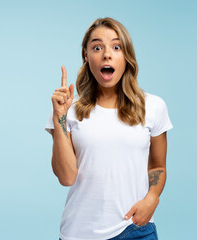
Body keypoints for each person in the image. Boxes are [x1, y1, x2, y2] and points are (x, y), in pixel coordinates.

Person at [45, 17, 173, 240]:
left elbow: (158, 165)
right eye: (97, 47)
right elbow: (66, 178)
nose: (107, 54)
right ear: (87, 56)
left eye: (116, 47)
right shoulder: (68, 110)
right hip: (79, 233)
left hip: (135, 229)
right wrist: (60, 118)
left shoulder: (153, 106)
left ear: (126, 56)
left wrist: (152, 198)